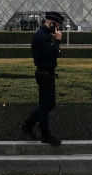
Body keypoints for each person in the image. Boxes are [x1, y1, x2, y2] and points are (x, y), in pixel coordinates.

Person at [20, 11, 63, 146]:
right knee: (45, 106)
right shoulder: (41, 36)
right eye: (57, 25)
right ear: (51, 23)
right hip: (44, 74)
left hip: (48, 73)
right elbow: (50, 54)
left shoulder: (44, 35)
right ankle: (45, 135)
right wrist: (58, 40)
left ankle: (28, 124)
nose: (58, 29)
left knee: (49, 104)